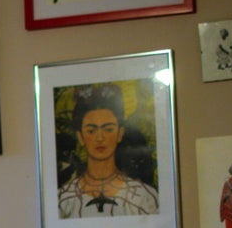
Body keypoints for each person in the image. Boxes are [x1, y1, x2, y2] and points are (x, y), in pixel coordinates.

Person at [56, 84, 159, 218]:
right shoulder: (63, 199)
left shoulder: (145, 197)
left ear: (120, 133)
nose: (100, 138)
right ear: (80, 136)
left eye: (108, 129)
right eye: (91, 131)